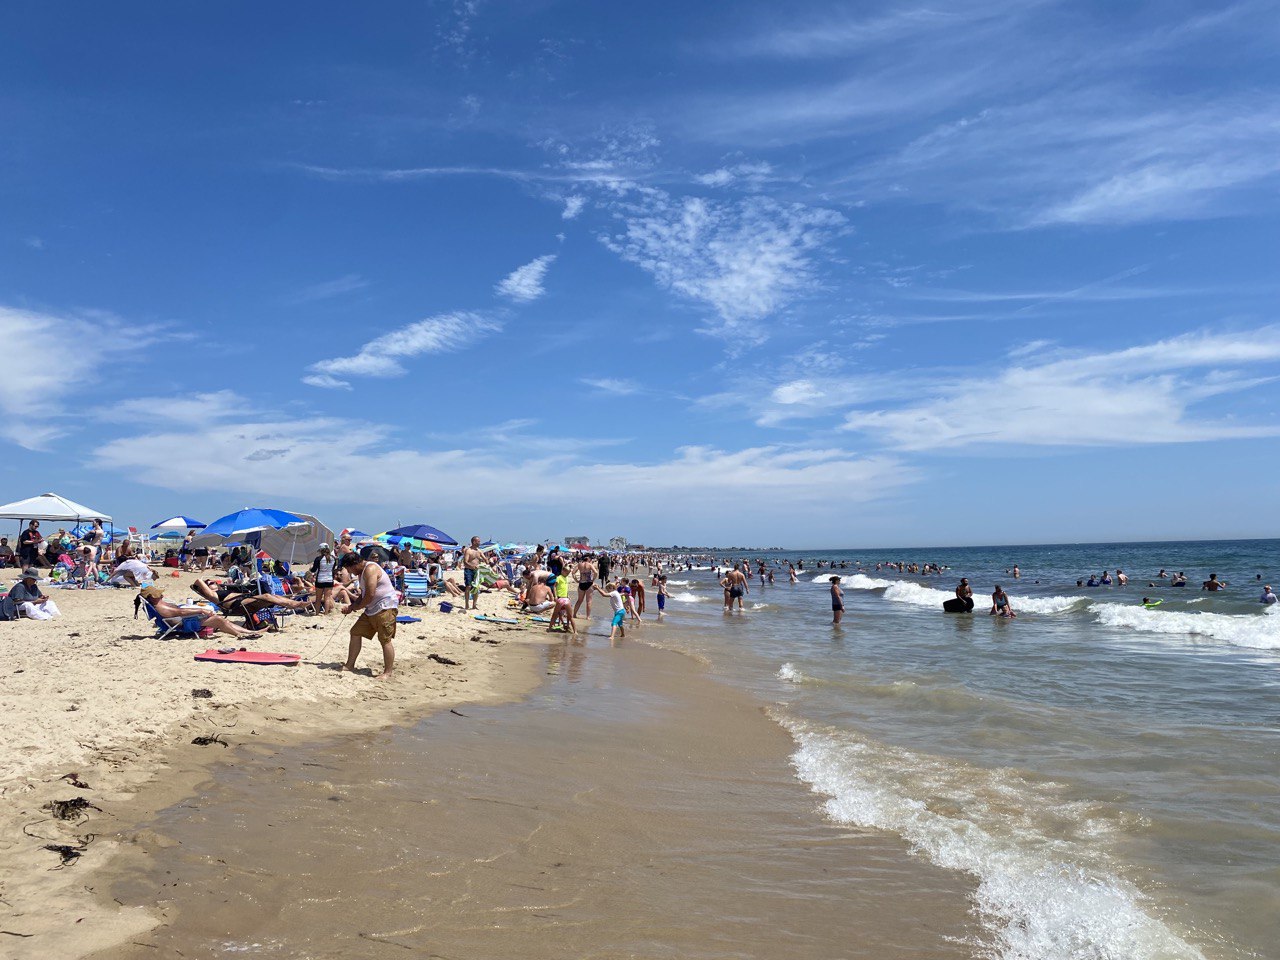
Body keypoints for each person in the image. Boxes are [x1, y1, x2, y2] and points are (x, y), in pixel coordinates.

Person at [338, 552, 399, 680]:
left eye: (349, 569)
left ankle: (388, 672)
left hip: (385, 607)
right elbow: (363, 594)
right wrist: (352, 607)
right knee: (355, 632)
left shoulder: (370, 568)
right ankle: (350, 665)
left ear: (354, 564)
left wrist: (355, 607)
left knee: (385, 640)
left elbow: (370, 594)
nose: (350, 572)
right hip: (372, 609)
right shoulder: (361, 573)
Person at [138, 584, 262, 638]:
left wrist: (200, 610)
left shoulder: (159, 604)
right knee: (218, 620)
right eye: (158, 594)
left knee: (220, 620)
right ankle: (239, 635)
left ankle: (248, 631)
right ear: (152, 597)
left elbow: (179, 611)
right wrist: (201, 610)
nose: (161, 596)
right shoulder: (162, 607)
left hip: (183, 620)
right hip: (185, 623)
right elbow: (181, 613)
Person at [310, 543, 337, 614]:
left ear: (321, 550)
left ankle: (317, 613)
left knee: (318, 598)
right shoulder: (333, 559)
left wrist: (310, 568)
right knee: (327, 598)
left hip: (320, 580)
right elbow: (333, 569)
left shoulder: (318, 559)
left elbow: (313, 570)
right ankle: (326, 613)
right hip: (329, 579)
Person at [461, 536, 486, 611]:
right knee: (468, 586)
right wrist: (472, 566)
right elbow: (465, 562)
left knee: (476, 587)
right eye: (478, 541)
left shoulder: (479, 551)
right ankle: (466, 604)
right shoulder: (468, 550)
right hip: (468, 570)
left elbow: (485, 559)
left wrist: (486, 562)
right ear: (474, 542)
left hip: (476, 571)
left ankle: (474, 605)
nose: (479, 543)